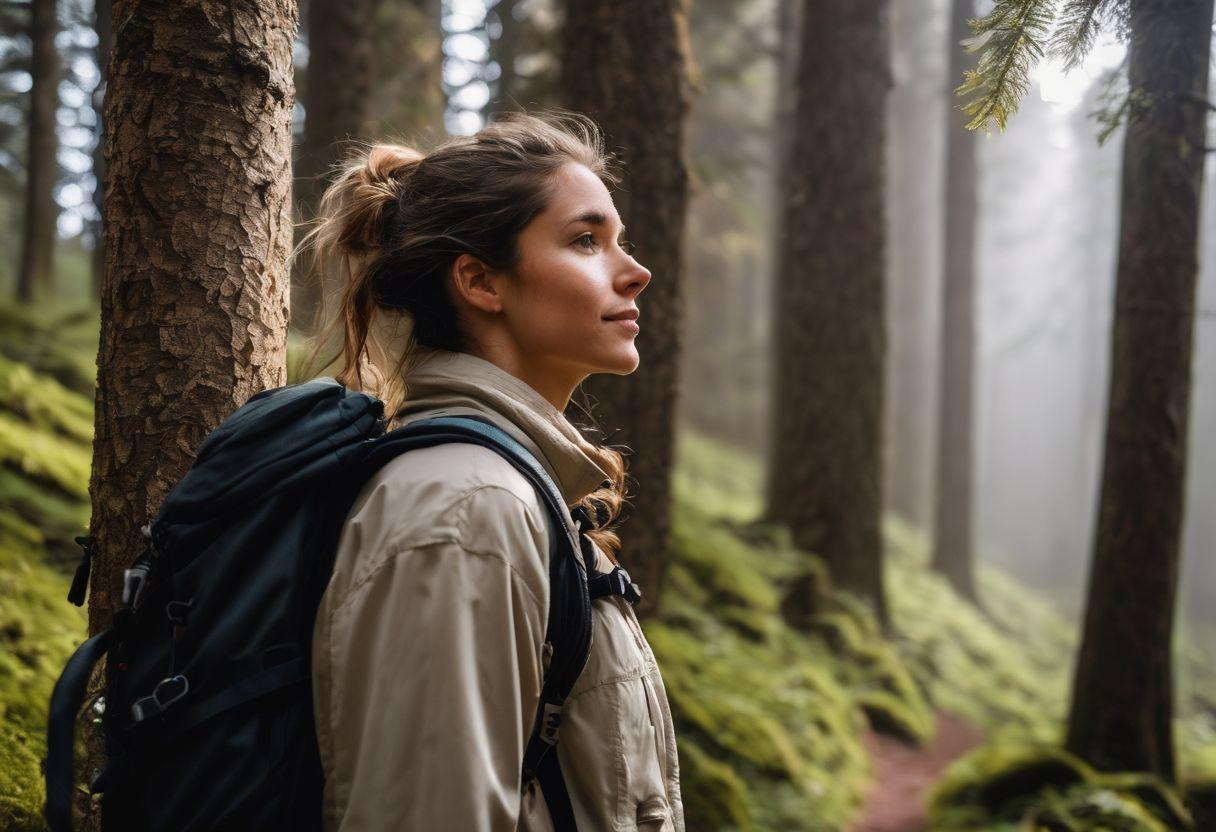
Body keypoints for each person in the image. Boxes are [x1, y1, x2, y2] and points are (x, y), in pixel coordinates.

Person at [297, 110, 685, 831]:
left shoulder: (507, 494)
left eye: (618, 241)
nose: (636, 272)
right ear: (480, 281)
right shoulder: (466, 510)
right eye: (586, 241)